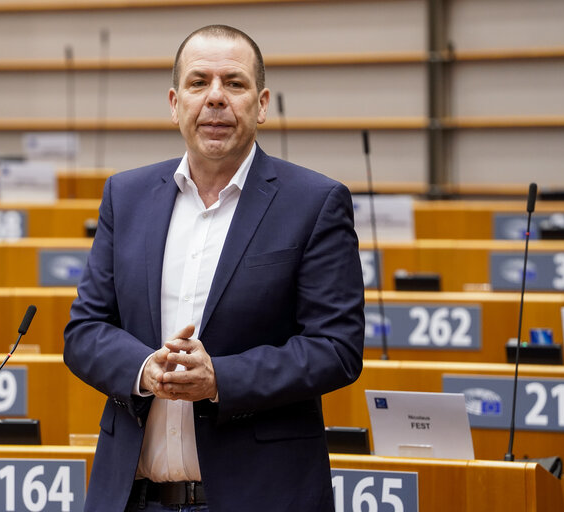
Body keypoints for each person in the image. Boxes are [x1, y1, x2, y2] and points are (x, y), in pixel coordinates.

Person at [64, 24, 364, 512]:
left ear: (261, 103)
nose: (216, 98)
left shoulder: (315, 203)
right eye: (199, 82)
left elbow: (337, 348)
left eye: (235, 83)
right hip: (133, 498)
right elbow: (84, 331)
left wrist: (220, 378)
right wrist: (143, 369)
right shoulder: (126, 195)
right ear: (174, 101)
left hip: (260, 496)